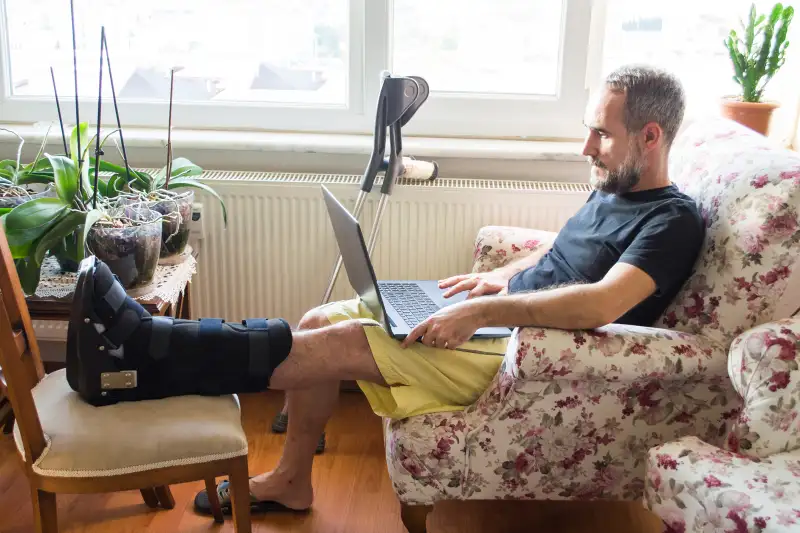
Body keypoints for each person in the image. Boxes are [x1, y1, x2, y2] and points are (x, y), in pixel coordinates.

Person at [72, 64, 705, 515]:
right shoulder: (613, 189)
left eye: (602, 133)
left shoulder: (671, 221)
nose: (586, 146)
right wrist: (503, 273)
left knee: (341, 340)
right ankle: (292, 481)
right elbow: (564, 249)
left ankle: (145, 350)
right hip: (497, 318)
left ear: (651, 138)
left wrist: (485, 306)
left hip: (529, 355)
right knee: (321, 317)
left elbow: (601, 302)